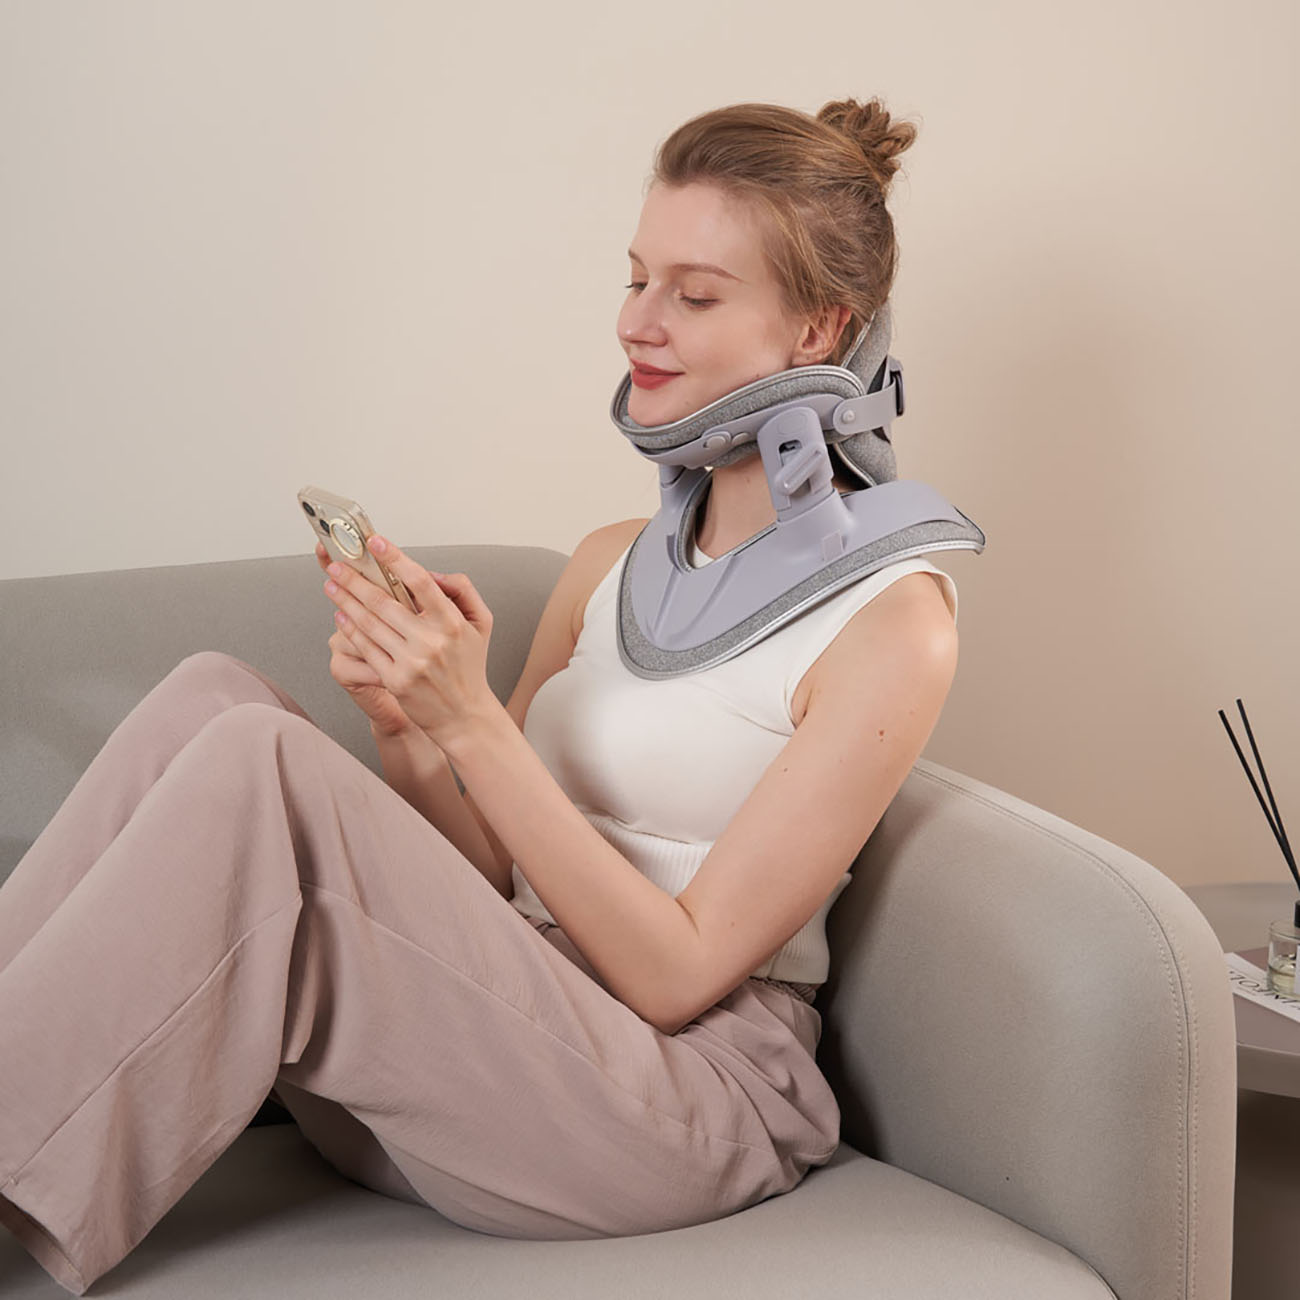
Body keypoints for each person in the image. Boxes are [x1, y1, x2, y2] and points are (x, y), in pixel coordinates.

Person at [0, 96, 960, 1295]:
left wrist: (472, 719)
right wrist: (410, 728)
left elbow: (677, 976)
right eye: (636, 279)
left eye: (695, 295)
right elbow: (490, 880)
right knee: (213, 697)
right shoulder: (607, 562)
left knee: (261, 760)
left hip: (672, 1106)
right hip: (489, 1060)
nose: (637, 322)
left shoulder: (892, 624)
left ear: (818, 326)